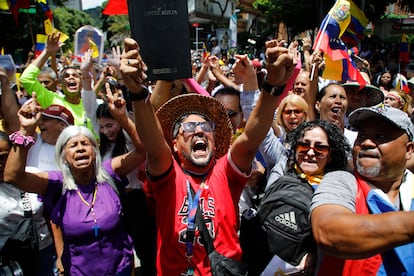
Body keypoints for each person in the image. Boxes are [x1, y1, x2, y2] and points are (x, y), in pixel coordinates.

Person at [120, 37, 296, 275]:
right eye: (190, 128)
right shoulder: (168, 175)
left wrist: (273, 86)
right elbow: (153, 145)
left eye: (206, 127)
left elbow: (250, 138)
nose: (200, 131)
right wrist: (137, 93)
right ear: (175, 142)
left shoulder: (225, 171)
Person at [3, 90, 145, 275]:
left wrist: (123, 118)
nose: (80, 149)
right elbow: (13, 176)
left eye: (85, 144)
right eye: (73, 145)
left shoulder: (109, 172)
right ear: (63, 156)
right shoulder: (56, 183)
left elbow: (142, 151)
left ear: (95, 151)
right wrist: (25, 131)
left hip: (121, 269)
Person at [311, 104, 414, 275]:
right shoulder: (341, 181)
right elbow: (328, 232)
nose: (366, 143)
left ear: (408, 150)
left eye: (380, 136)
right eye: (363, 136)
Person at [259, 120, 350, 276]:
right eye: (304, 145)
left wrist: (316, 255)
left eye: (320, 148)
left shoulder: (337, 189)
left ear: (331, 155)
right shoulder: (282, 169)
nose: (310, 153)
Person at [96, 102, 157, 276]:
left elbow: (139, 140)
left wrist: (122, 118)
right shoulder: (104, 147)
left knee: (145, 248)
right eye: (101, 127)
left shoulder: (129, 143)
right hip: (112, 204)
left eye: (110, 125)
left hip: (135, 202)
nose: (106, 131)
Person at [19, 32, 98, 137]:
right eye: (66, 76)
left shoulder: (91, 103)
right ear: (60, 85)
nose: (70, 78)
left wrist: (85, 71)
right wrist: (47, 52)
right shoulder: (53, 101)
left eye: (75, 76)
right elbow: (26, 79)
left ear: (81, 83)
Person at [0, 131, 56, 276]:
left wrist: (61, 254)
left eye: (3, 157)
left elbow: (52, 218)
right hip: (8, 262)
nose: (0, 164)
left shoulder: (33, 175)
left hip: (45, 254)